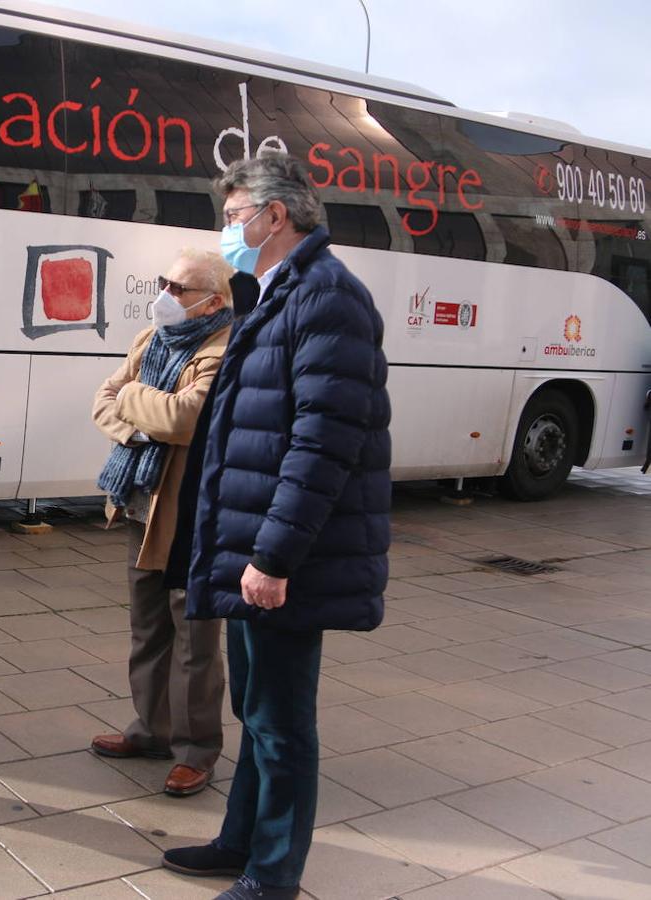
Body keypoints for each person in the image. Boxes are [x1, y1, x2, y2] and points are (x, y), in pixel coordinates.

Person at [162, 152, 392, 900]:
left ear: (275, 215)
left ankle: (274, 876)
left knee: (283, 722)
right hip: (252, 550)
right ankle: (240, 842)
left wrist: (272, 555)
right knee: (254, 710)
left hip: (285, 559)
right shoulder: (276, 292)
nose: (228, 230)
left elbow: (323, 445)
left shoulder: (328, 298)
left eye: (234, 217)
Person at [88, 249, 234, 797]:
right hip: (140, 506)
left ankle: (196, 751)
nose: (165, 295)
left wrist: (131, 398)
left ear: (213, 301)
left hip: (190, 515)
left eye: (179, 288)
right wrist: (137, 428)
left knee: (194, 637)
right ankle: (152, 729)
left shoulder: (222, 349)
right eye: (163, 282)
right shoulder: (150, 342)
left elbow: (186, 417)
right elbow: (102, 402)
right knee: (147, 627)